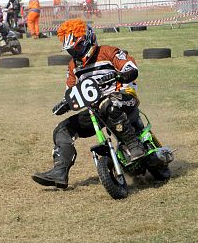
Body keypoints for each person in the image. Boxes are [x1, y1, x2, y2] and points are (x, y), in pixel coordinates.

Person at [32, 19, 146, 189]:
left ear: (87, 40)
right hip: (96, 110)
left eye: (77, 48)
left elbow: (130, 66)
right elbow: (71, 91)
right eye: (71, 50)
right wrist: (66, 103)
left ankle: (134, 145)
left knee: (107, 104)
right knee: (62, 129)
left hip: (123, 99)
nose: (75, 53)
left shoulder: (108, 52)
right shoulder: (73, 66)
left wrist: (125, 74)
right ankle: (59, 172)